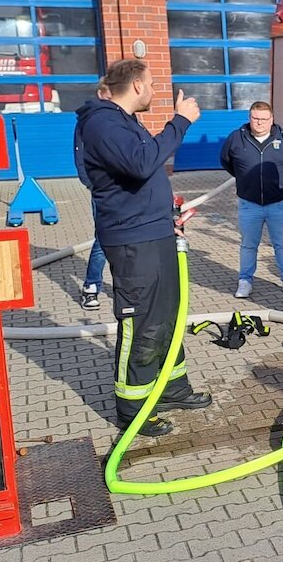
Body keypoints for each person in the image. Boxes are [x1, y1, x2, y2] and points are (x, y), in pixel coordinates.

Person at [77, 59, 212, 438]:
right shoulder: (103, 123)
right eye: (151, 83)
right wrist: (180, 121)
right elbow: (141, 163)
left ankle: (171, 388)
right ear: (136, 85)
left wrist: (168, 212)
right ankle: (133, 408)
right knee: (141, 323)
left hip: (154, 232)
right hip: (133, 241)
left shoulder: (123, 122)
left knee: (167, 315)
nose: (154, 91)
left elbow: (141, 176)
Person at [220, 101, 283, 299]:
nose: (259, 123)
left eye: (264, 119)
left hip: (278, 204)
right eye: (255, 118)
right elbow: (225, 160)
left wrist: (280, 180)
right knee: (248, 245)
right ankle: (245, 281)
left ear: (271, 120)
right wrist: (244, 178)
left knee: (282, 244)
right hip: (249, 205)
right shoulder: (236, 138)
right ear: (249, 118)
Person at [74, 79, 111, 310]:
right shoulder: (87, 122)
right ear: (100, 93)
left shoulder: (124, 117)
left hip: (126, 191)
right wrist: (92, 184)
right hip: (102, 190)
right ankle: (91, 287)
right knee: (104, 238)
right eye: (109, 94)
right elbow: (81, 156)